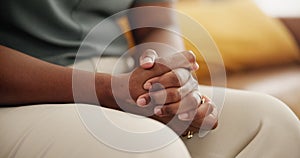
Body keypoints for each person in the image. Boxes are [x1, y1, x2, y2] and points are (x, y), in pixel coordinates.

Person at [0, 0, 300, 157]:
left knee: (270, 123)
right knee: (147, 148)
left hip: (120, 75)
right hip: (26, 91)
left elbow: (158, 18)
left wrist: (168, 82)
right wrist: (109, 90)